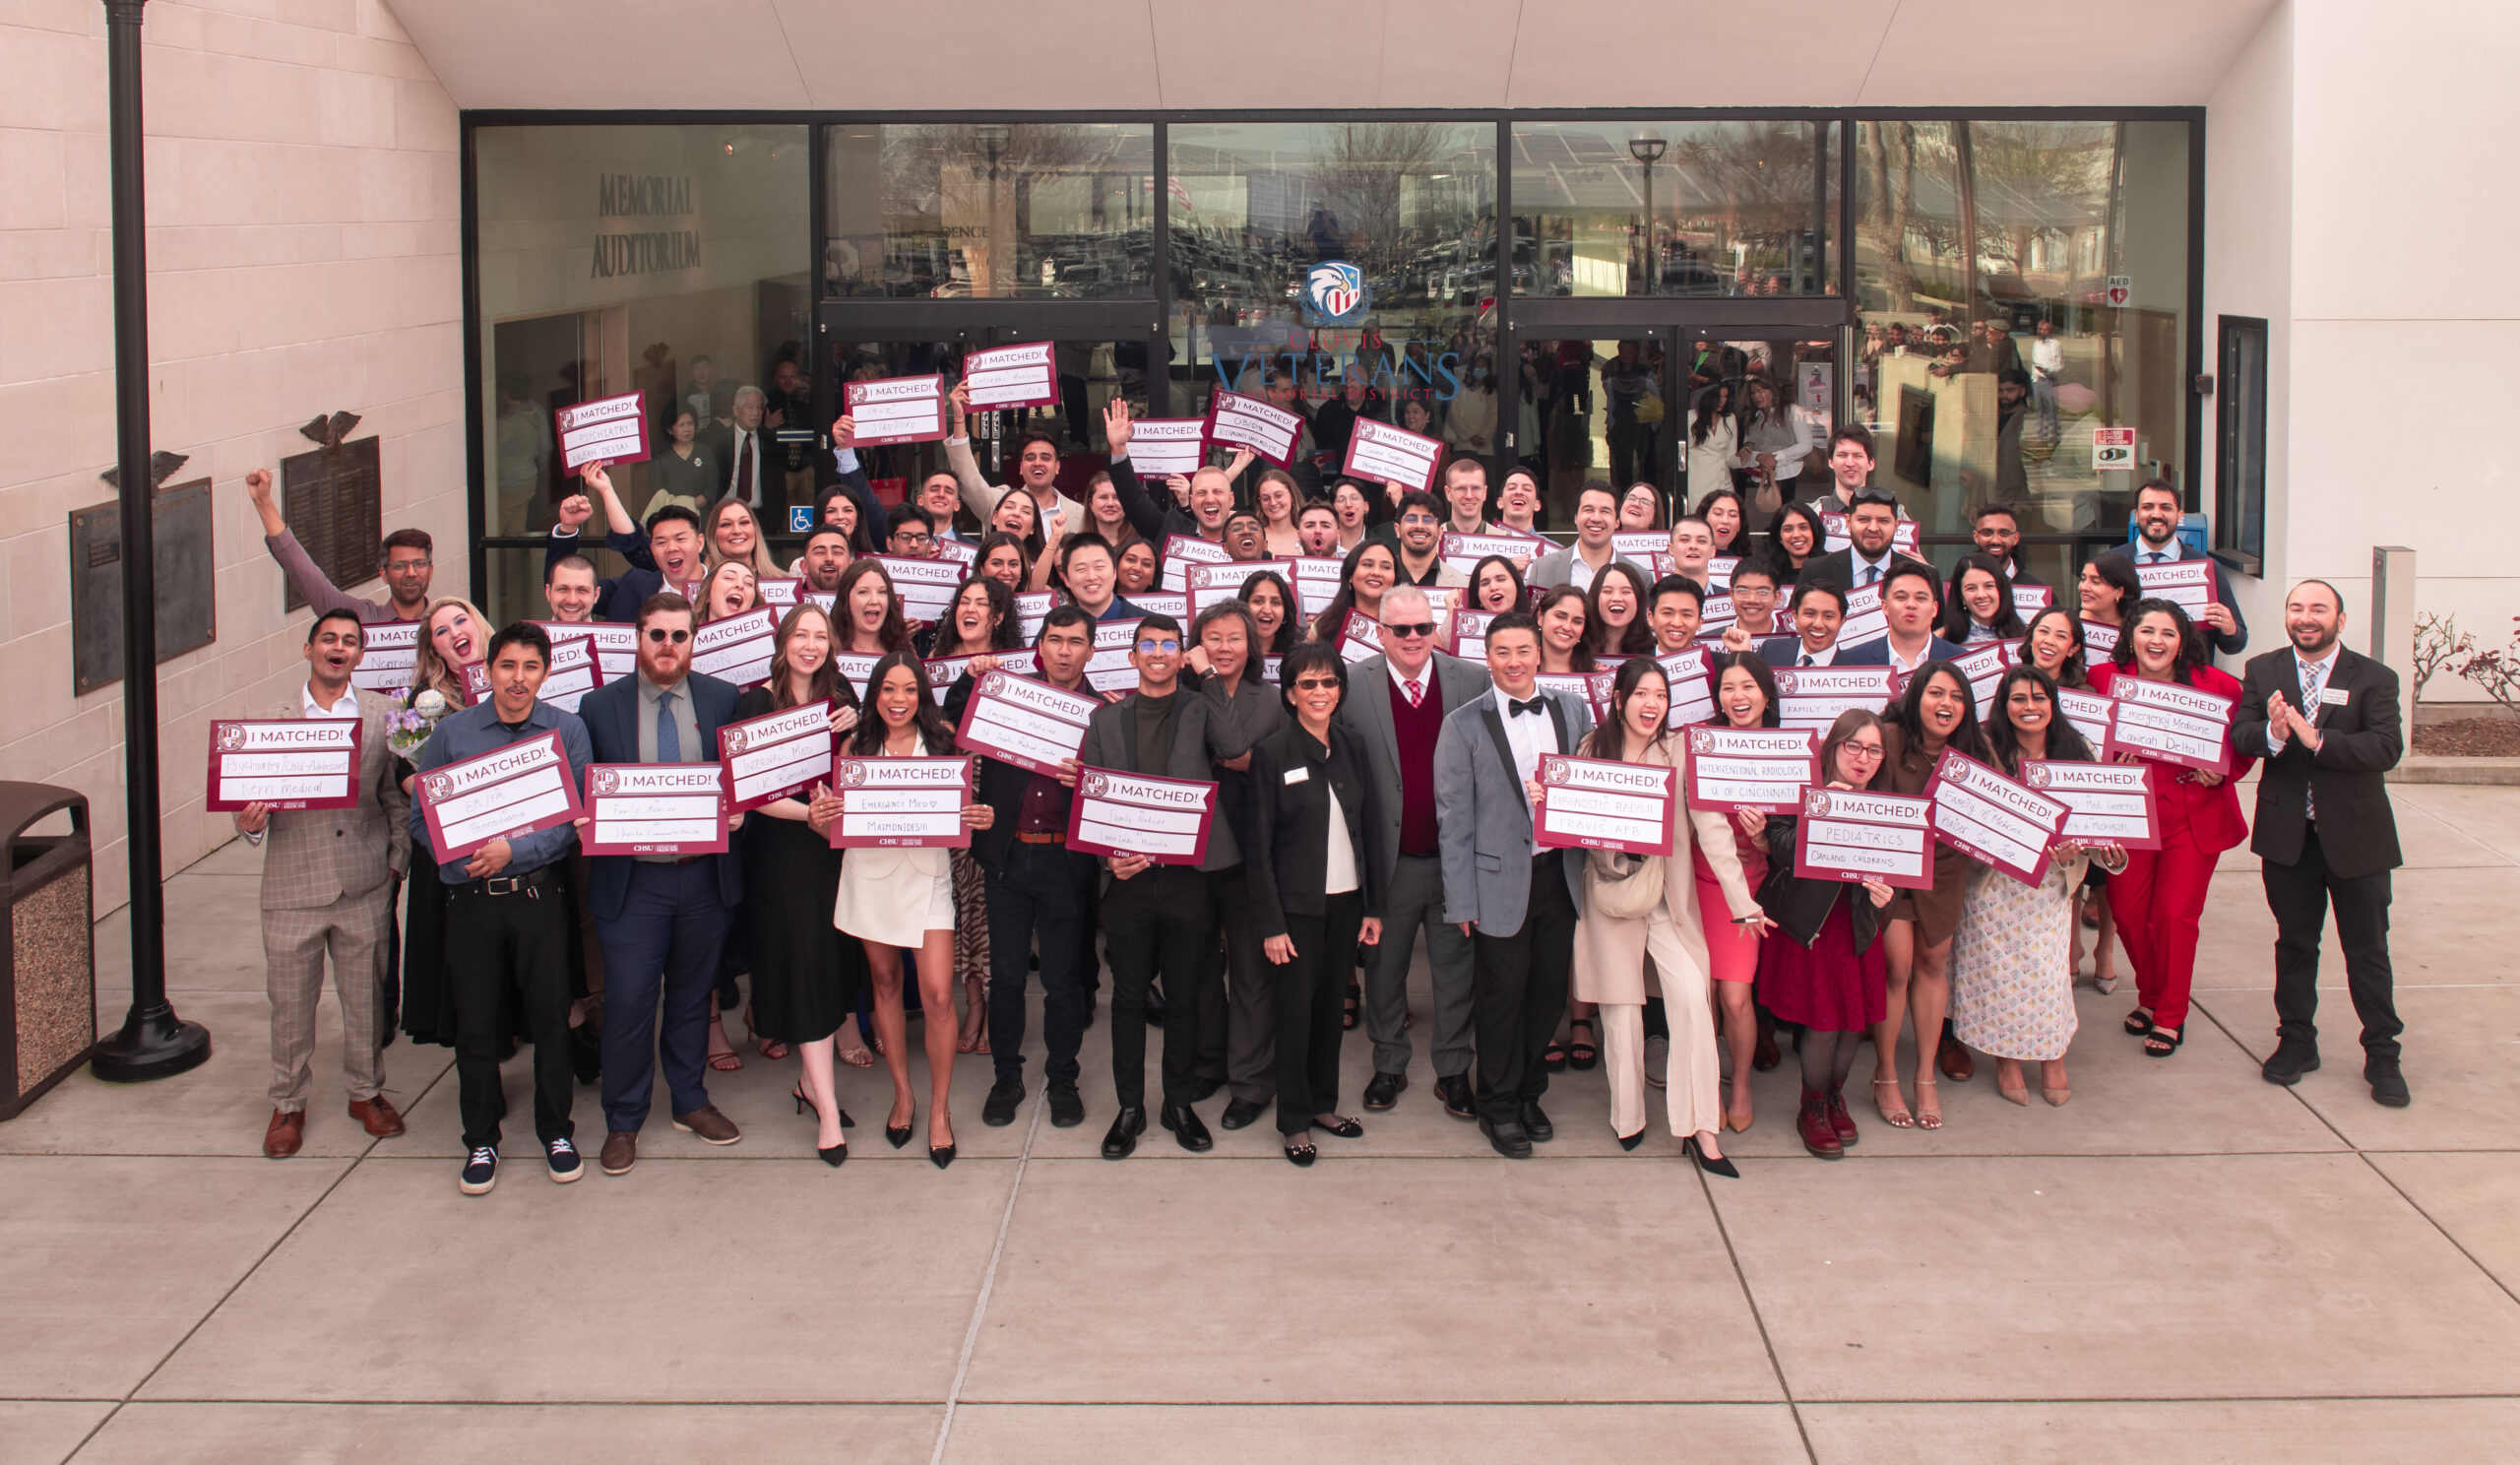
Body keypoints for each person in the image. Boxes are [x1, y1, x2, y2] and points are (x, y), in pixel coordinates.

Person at [407, 622, 592, 1194]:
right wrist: (459, 862)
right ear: (488, 671)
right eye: (507, 666)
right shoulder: (453, 734)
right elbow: (421, 818)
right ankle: (481, 1139)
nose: (518, 678)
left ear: (546, 672)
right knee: (478, 1025)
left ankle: (556, 1130)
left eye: (530, 667)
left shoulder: (567, 729)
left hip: (538, 895)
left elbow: (575, 819)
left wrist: (515, 849)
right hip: (472, 901)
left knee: (550, 1020)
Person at [1566, 659, 1762, 1171]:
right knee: (1622, 1013)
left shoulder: (1680, 750)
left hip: (1668, 901)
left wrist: (1742, 903)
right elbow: (1577, 827)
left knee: (1694, 1006)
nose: (1652, 704)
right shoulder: (1592, 748)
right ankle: (1627, 1116)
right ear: (1618, 699)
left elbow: (1713, 829)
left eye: (1661, 695)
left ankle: (1701, 1128)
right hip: (1610, 895)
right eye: (1642, 694)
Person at [576, 594, 747, 1177]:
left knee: (694, 996)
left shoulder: (723, 699)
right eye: (657, 635)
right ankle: (623, 1120)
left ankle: (689, 1101)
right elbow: (582, 785)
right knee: (628, 1002)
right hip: (634, 884)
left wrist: (738, 811)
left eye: (679, 636)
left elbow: (740, 780)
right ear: (638, 638)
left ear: (694, 640)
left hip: (702, 879)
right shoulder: (598, 706)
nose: (668, 646)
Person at [236, 610, 410, 1158]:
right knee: (290, 1005)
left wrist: (394, 865)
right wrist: (246, 824)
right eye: (329, 639)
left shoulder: (386, 716)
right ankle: (288, 1103)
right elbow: (245, 800)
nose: (339, 648)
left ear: (361, 655)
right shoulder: (269, 721)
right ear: (308, 648)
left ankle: (366, 1093)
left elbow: (395, 798)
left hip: (364, 883)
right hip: (293, 888)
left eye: (350, 642)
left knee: (365, 1003)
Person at [2234, 580, 2409, 1106]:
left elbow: (2385, 747)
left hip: (2357, 838)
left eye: (2318, 609)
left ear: (2340, 619)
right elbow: (2241, 735)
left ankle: (2382, 1053)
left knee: (2367, 950)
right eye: (2296, 608)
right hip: (2290, 838)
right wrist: (2274, 735)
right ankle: (2296, 1042)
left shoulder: (2375, 677)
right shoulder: (2264, 671)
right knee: (2294, 944)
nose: (2306, 617)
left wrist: (2318, 738)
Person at [1433, 611, 1596, 1158]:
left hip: (1560, 876)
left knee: (1546, 997)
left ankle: (1529, 1093)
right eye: (1502, 652)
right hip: (1496, 882)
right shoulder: (1461, 724)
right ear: (1488, 656)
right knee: (1502, 999)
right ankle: (1497, 1106)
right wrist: (1460, 899)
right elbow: (1453, 820)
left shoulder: (1572, 708)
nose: (1514, 662)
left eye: (1523, 651)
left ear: (1538, 653)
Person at [1079, 615, 1232, 1158]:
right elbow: (1091, 799)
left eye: (1170, 644)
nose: (1160, 652)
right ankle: (1129, 1108)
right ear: (1133, 655)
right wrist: (1108, 858)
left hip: (1189, 879)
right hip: (1129, 885)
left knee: (1187, 997)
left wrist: (1207, 673)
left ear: (1181, 654)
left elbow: (1235, 744)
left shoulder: (1199, 706)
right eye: (1149, 644)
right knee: (1126, 997)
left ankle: (1178, 1102)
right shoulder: (1105, 720)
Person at [834, 653, 995, 1167]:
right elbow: (835, 820)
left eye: (908, 690)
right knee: (884, 983)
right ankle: (903, 1094)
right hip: (871, 874)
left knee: (939, 996)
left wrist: (982, 814)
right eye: (887, 690)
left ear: (922, 695)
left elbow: (968, 811)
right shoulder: (854, 746)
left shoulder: (945, 745)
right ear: (874, 694)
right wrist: (822, 815)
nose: (898, 700)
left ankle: (941, 1109)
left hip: (927, 876)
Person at [1339, 585, 1491, 1115]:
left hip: (1455, 860)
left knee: (1455, 971)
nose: (1412, 638)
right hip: (1390, 862)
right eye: (1399, 629)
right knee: (1384, 969)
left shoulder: (1471, 680)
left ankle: (1452, 1071)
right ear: (1380, 633)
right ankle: (1388, 1065)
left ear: (1436, 630)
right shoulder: (1353, 685)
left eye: (1422, 628)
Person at [951, 606, 1101, 1130]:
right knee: (1008, 978)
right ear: (1039, 646)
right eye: (1054, 640)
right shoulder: (1007, 696)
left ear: (1091, 649)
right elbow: (951, 717)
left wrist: (1088, 781)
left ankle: (1063, 1076)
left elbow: (1114, 799)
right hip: (1008, 857)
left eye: (1075, 642)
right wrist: (971, 673)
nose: (1063, 651)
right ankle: (1006, 1075)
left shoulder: (1102, 714)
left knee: (1063, 981)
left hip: (1066, 860)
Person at [2087, 601, 2251, 1059]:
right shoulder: (2103, 679)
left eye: (2168, 633)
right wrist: (2106, 760)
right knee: (2130, 915)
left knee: (2176, 917)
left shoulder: (2217, 685)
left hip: (2192, 813)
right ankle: (2152, 994)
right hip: (2129, 814)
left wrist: (2226, 771)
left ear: (2184, 643)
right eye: (2147, 631)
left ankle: (2170, 1014)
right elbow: (2079, 735)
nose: (2156, 641)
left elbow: (2245, 739)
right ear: (2131, 636)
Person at [1952, 665, 2119, 1106]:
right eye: (2018, 699)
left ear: (2052, 703)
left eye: (2038, 698)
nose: (2029, 708)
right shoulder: (1984, 751)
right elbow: (1970, 821)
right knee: (1996, 973)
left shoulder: (2076, 751)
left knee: (2047, 975)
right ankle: (2007, 1059)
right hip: (1993, 885)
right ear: (2003, 707)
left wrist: (2086, 848)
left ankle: (2052, 1056)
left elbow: (2098, 825)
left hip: (2052, 886)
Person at [736, 604, 866, 1164]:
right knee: (809, 967)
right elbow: (749, 789)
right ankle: (829, 1112)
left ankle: (810, 1086)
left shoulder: (842, 702)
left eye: (820, 637)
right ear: (784, 640)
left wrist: (859, 728)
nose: (810, 645)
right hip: (785, 853)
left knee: (835, 961)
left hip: (839, 855)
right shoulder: (754, 702)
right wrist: (807, 817)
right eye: (801, 636)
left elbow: (863, 771)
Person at [1246, 643, 1385, 1164]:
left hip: (1347, 902)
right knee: (1295, 1016)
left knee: (1332, 1012)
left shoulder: (1352, 746)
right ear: (1290, 694)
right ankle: (1294, 1121)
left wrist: (1373, 908)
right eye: (1308, 684)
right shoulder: (1271, 754)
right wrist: (1271, 923)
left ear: (1340, 691)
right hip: (1295, 911)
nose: (1320, 692)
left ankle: (1325, 1105)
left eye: (1329, 683)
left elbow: (1367, 829)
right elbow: (1258, 848)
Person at [1754, 710, 1897, 1159]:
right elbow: (1778, 848)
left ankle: (1835, 1095)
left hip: (1856, 924)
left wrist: (1886, 894)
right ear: (1833, 746)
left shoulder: (1889, 805)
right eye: (1852, 746)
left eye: (1873, 750)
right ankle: (1811, 1105)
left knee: (1854, 1022)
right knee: (1823, 1020)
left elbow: (1902, 869)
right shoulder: (1801, 789)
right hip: (1812, 926)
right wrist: (1822, 811)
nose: (1862, 758)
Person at [1871, 661, 1992, 1129]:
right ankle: (1885, 1074)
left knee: (1932, 964)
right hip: (1894, 869)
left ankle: (1924, 1075)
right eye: (1936, 694)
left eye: (1957, 697)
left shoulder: (1973, 753)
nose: (1946, 705)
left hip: (1944, 872)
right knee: (1897, 966)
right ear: (1916, 696)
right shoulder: (1887, 736)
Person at [1179, 602, 1287, 1129]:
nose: (1223, 649)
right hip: (1190, 854)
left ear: (1253, 645)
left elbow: (1235, 748)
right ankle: (1210, 1061)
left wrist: (1205, 679)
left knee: (1251, 975)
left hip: (1248, 855)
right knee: (1199, 969)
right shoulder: (1177, 697)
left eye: (1234, 639)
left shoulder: (1269, 701)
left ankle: (1251, 1082)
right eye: (1212, 639)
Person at [242, 469, 433, 624]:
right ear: (383, 574)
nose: (411, 572)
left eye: (419, 564)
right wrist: (263, 502)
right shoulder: (360, 619)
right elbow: (306, 575)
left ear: (431, 571)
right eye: (399, 565)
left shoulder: (448, 626)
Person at [549, 466, 706, 621]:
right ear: (651, 548)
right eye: (661, 542)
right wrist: (568, 528)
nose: (671, 548)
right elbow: (561, 580)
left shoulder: (725, 585)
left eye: (680, 539)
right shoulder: (634, 586)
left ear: (699, 543)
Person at [2120, 479, 2248, 657]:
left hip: (2188, 677)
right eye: (2148, 507)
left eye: (2165, 507)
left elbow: (2235, 644)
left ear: (2179, 515)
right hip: (2128, 676)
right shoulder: (2110, 565)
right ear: (2136, 514)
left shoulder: (2207, 569)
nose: (2156, 514)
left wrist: (2230, 629)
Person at [1838, 561, 1967, 671]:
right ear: (1885, 607)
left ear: (1934, 609)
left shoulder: (1961, 662)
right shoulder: (1851, 661)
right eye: (1901, 597)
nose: (1911, 604)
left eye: (1921, 598)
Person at [1802, 488, 1929, 594]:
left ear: (1897, 525)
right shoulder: (1815, 571)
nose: (1873, 528)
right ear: (1848, 522)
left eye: (1883, 521)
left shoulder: (1924, 575)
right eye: (1863, 519)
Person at [1529, 482, 1642, 593]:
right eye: (1588, 510)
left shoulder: (1640, 576)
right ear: (1576, 518)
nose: (1596, 518)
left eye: (1605, 511)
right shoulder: (1542, 569)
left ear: (1617, 522)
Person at [1309, 541, 1401, 643]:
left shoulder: (1407, 626)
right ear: (1350, 576)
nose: (1376, 572)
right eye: (1367, 564)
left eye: (1386, 567)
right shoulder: (1323, 625)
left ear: (1395, 578)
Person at [646, 408, 717, 524]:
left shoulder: (705, 452)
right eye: (681, 425)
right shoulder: (661, 457)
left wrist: (692, 505)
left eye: (690, 424)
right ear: (670, 430)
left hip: (701, 517)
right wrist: (682, 509)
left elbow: (711, 489)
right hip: (671, 518)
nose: (687, 429)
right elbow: (658, 493)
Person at [1758, 580, 1849, 669]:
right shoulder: (1770, 651)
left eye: (1828, 616)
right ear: (1795, 616)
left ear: (1842, 621)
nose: (1818, 624)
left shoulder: (1853, 672)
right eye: (1810, 614)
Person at [1940, 553, 2027, 645]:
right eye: (1971, 588)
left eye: (1989, 586)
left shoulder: (2026, 638)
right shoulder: (1941, 641)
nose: (1981, 595)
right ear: (1961, 596)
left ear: (2002, 590)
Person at [1390, 490, 1469, 589]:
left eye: (1428, 520)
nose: (1419, 525)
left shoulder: (1462, 584)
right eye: (1411, 519)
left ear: (1440, 532)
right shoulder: (1382, 578)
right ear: (1397, 530)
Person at [1057, 536, 1142, 623]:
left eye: (1099, 567)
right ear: (1067, 579)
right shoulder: (1055, 629)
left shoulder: (1147, 624)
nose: (1091, 577)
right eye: (1081, 569)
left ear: (1114, 572)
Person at [719, 386, 778, 510]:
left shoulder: (769, 442)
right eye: (750, 407)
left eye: (760, 408)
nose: (756, 413)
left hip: (761, 515)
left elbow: (778, 486)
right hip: (726, 511)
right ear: (736, 410)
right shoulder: (721, 442)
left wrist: (774, 521)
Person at [1586, 561, 1659, 660]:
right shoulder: (1577, 649)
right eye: (1607, 591)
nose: (1617, 598)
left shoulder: (1654, 653)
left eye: (1626, 592)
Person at [1685, 381, 1740, 509]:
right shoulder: (1691, 417)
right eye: (1719, 397)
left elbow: (1731, 458)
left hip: (1723, 482)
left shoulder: (1729, 419)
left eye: (1725, 397)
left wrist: (1744, 458)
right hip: (1698, 484)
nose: (1722, 401)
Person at [1807, 424, 1880, 515]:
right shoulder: (1812, 515)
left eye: (1858, 455)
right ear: (1831, 462)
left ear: (1871, 463)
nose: (1850, 463)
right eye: (1842, 455)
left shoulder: (1893, 516)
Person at [1972, 502, 2044, 588]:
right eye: (1987, 533)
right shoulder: (1956, 587)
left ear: (2015, 538)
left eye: (2004, 533)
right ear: (1976, 537)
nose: (1995, 540)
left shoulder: (2038, 591)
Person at [1533, 586, 1596, 676]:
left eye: (1577, 622)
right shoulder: (1520, 670)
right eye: (1560, 616)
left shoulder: (1597, 676)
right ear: (1540, 617)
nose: (1567, 627)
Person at [1719, 561, 1784, 649]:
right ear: (1731, 594)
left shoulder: (1794, 646)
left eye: (1762, 592)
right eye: (1743, 591)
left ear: (1777, 597)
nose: (1752, 600)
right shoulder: (1709, 643)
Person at [1239, 571, 1300, 656]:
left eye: (1275, 603)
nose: (1267, 610)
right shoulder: (1230, 654)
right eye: (1258, 601)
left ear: (1285, 612)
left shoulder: (1299, 656)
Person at [1767, 502, 1824, 588]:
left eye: (1803, 527)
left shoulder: (1831, 570)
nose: (1796, 535)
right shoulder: (1767, 575)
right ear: (1779, 537)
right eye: (1788, 529)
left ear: (1814, 531)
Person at [1646, 575, 1705, 654]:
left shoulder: (1721, 665)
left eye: (1686, 615)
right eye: (1667, 613)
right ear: (1651, 618)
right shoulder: (1633, 665)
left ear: (1699, 622)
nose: (1677, 623)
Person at [1254, 470, 1306, 556]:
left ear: (1292, 496)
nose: (1273, 503)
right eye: (1266, 499)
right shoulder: (1253, 538)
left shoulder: (1308, 538)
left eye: (1278, 496)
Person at [2029, 318, 2064, 441]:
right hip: (2037, 380)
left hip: (2049, 380)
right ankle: (2040, 435)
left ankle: (2054, 435)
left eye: (2044, 329)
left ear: (2049, 331)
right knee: (2039, 409)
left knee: (2052, 409)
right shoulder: (2036, 344)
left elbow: (2059, 365)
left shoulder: (2056, 345)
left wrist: (2048, 371)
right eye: (2040, 329)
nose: (2041, 331)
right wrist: (2034, 377)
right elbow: (2034, 360)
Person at [1441, 457, 1493, 536]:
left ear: (1484, 492)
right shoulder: (1433, 541)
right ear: (1448, 493)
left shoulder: (1503, 541)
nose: (1469, 496)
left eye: (1475, 488)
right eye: (1461, 488)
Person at [1330, 478, 1377, 553]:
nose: (1348, 504)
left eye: (1354, 498)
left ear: (1366, 507)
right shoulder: (1326, 545)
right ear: (1333, 509)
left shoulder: (1381, 540)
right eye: (1341, 500)